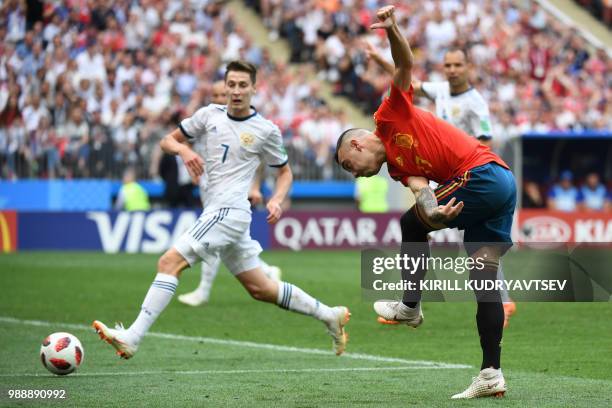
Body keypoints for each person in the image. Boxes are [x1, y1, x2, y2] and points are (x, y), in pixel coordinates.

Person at [93, 61, 350, 359]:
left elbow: (285, 172)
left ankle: (132, 336)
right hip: (217, 209)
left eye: (243, 85)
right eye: (232, 85)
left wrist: (277, 198)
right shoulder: (208, 115)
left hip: (229, 211)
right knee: (262, 289)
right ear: (224, 87)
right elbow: (167, 140)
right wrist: (184, 149)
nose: (237, 91)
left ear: (254, 88)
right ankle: (329, 314)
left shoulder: (266, 130)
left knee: (168, 262)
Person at [335, 6, 516, 399]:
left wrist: (393, 30)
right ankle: (491, 374)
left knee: (409, 225)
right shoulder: (397, 169)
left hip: (482, 173)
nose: (356, 173)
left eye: (352, 165)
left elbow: (405, 64)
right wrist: (434, 211)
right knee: (484, 282)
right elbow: (423, 192)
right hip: (500, 185)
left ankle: (410, 306)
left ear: (357, 143)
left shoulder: (388, 116)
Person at [365, 32, 516, 328]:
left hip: (469, 170)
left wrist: (458, 155)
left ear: (468, 67)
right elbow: (407, 81)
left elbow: (485, 140)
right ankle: (413, 302)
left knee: (425, 226)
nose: (452, 70)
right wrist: (380, 59)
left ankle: (412, 304)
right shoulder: (441, 90)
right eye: (447, 65)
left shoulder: (476, 103)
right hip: (446, 172)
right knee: (457, 237)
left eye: (457, 65)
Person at [178, 79, 282, 307]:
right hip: (209, 187)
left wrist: (254, 187)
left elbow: (259, 159)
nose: (218, 100)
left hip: (232, 193)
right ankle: (267, 271)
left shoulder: (246, 124)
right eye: (214, 96)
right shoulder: (207, 118)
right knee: (232, 245)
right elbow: (188, 144)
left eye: (221, 95)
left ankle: (203, 291)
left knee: (211, 240)